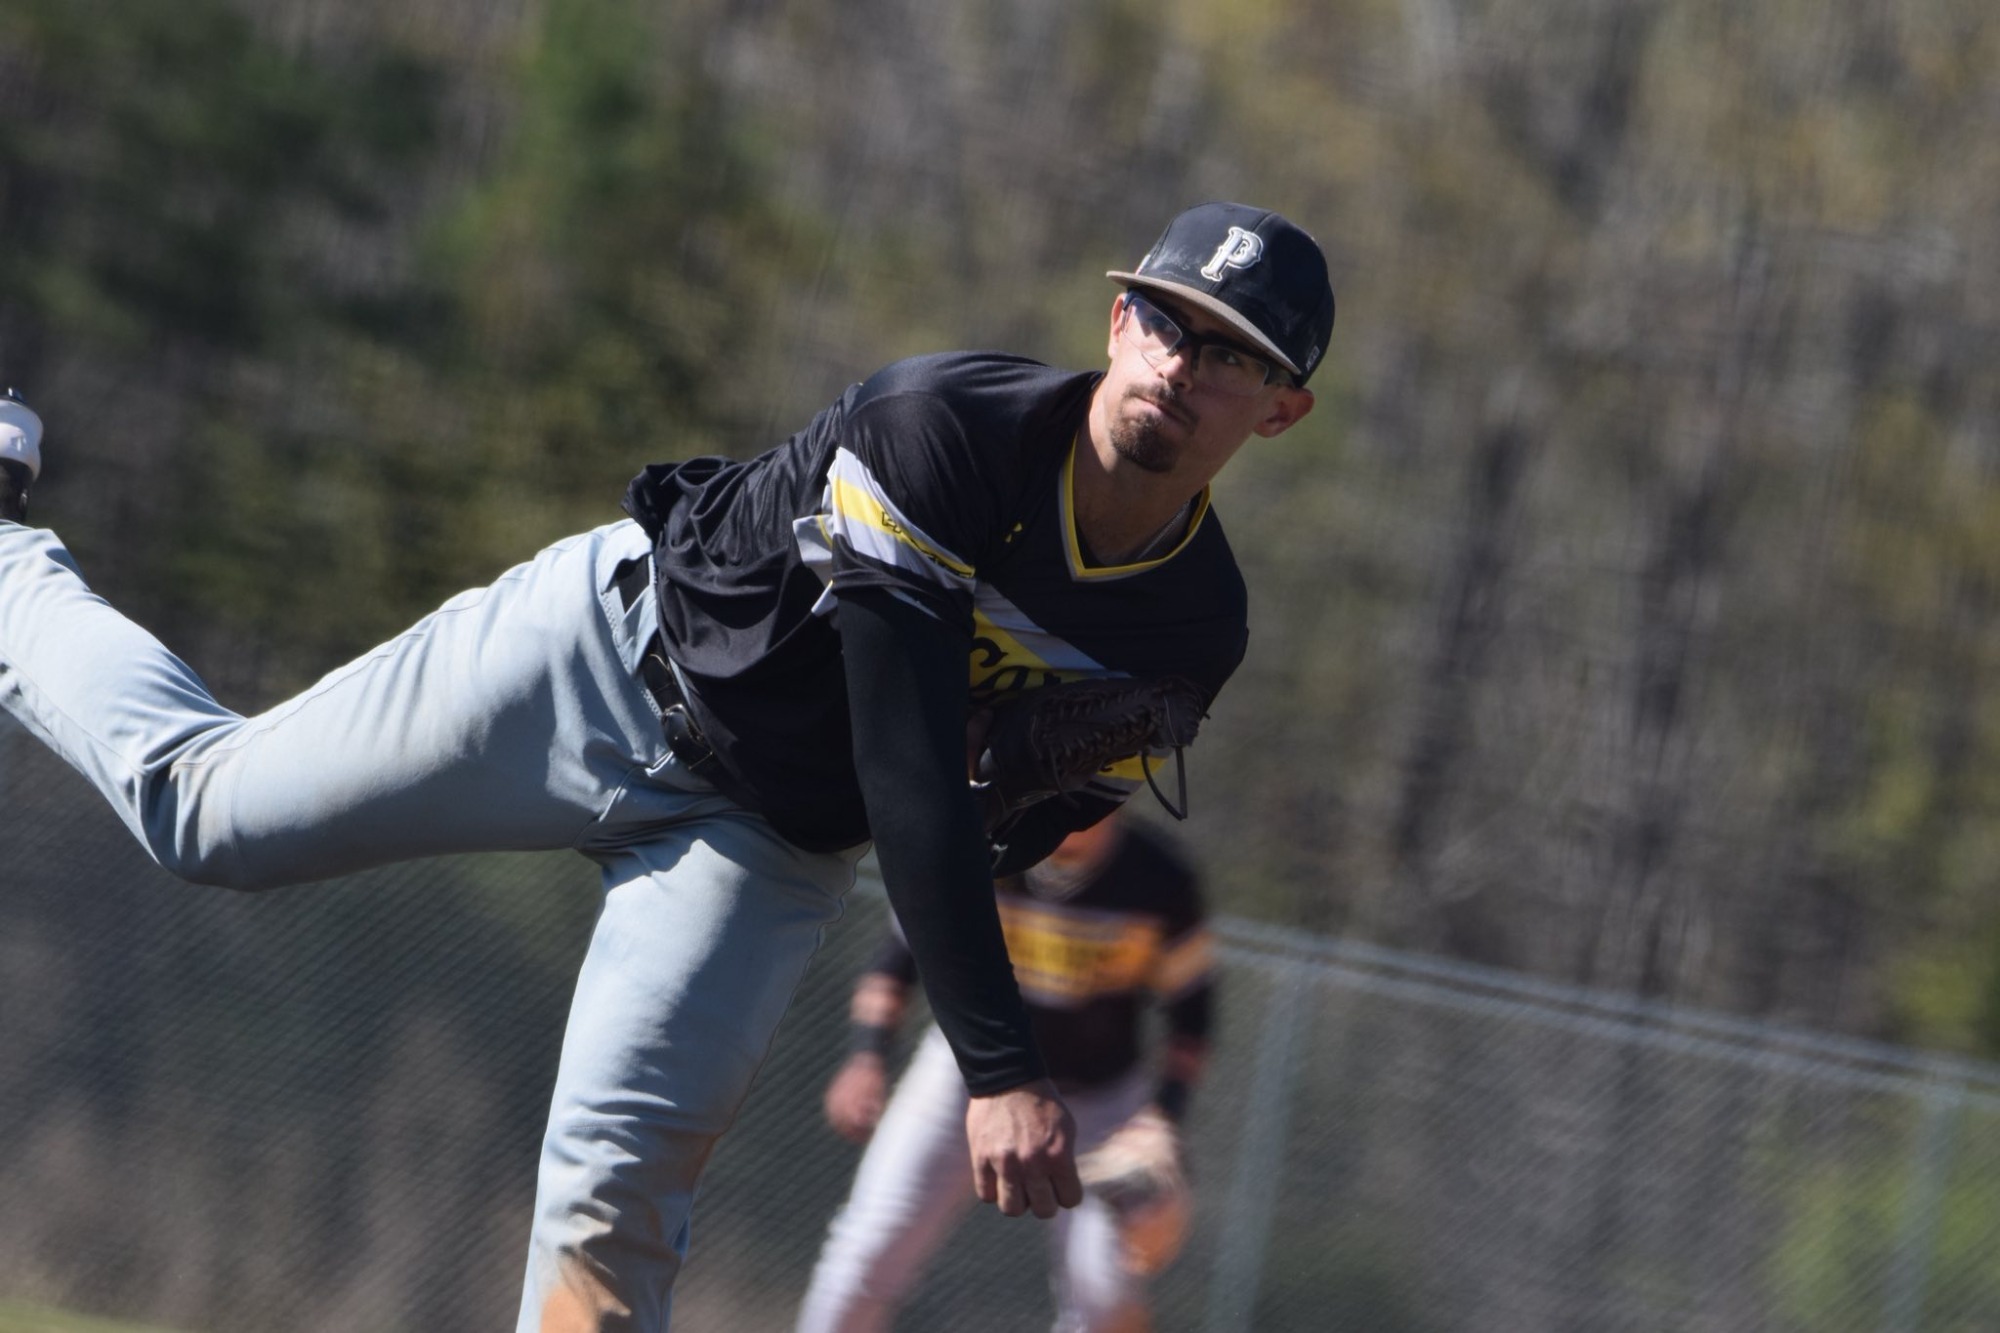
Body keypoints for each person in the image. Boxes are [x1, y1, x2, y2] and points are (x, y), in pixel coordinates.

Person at [0, 201, 1331, 1332]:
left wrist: (1126, 1102)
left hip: (762, 844)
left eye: (1230, 355)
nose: (1179, 362)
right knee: (206, 815)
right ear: (1116, 323)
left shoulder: (1192, 629)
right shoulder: (944, 430)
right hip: (595, 662)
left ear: (1280, 411)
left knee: (616, 1216)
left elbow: (1002, 845)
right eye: (1165, 320)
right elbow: (911, 776)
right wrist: (998, 1068)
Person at [798, 811, 1213, 1333]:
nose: (1083, 798)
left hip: (1100, 1103)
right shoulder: (985, 848)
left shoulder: (1160, 877)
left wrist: (1165, 1117)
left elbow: (1193, 1019)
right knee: (868, 1248)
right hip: (966, 1077)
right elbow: (896, 962)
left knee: (1104, 1294)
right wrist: (867, 1055)